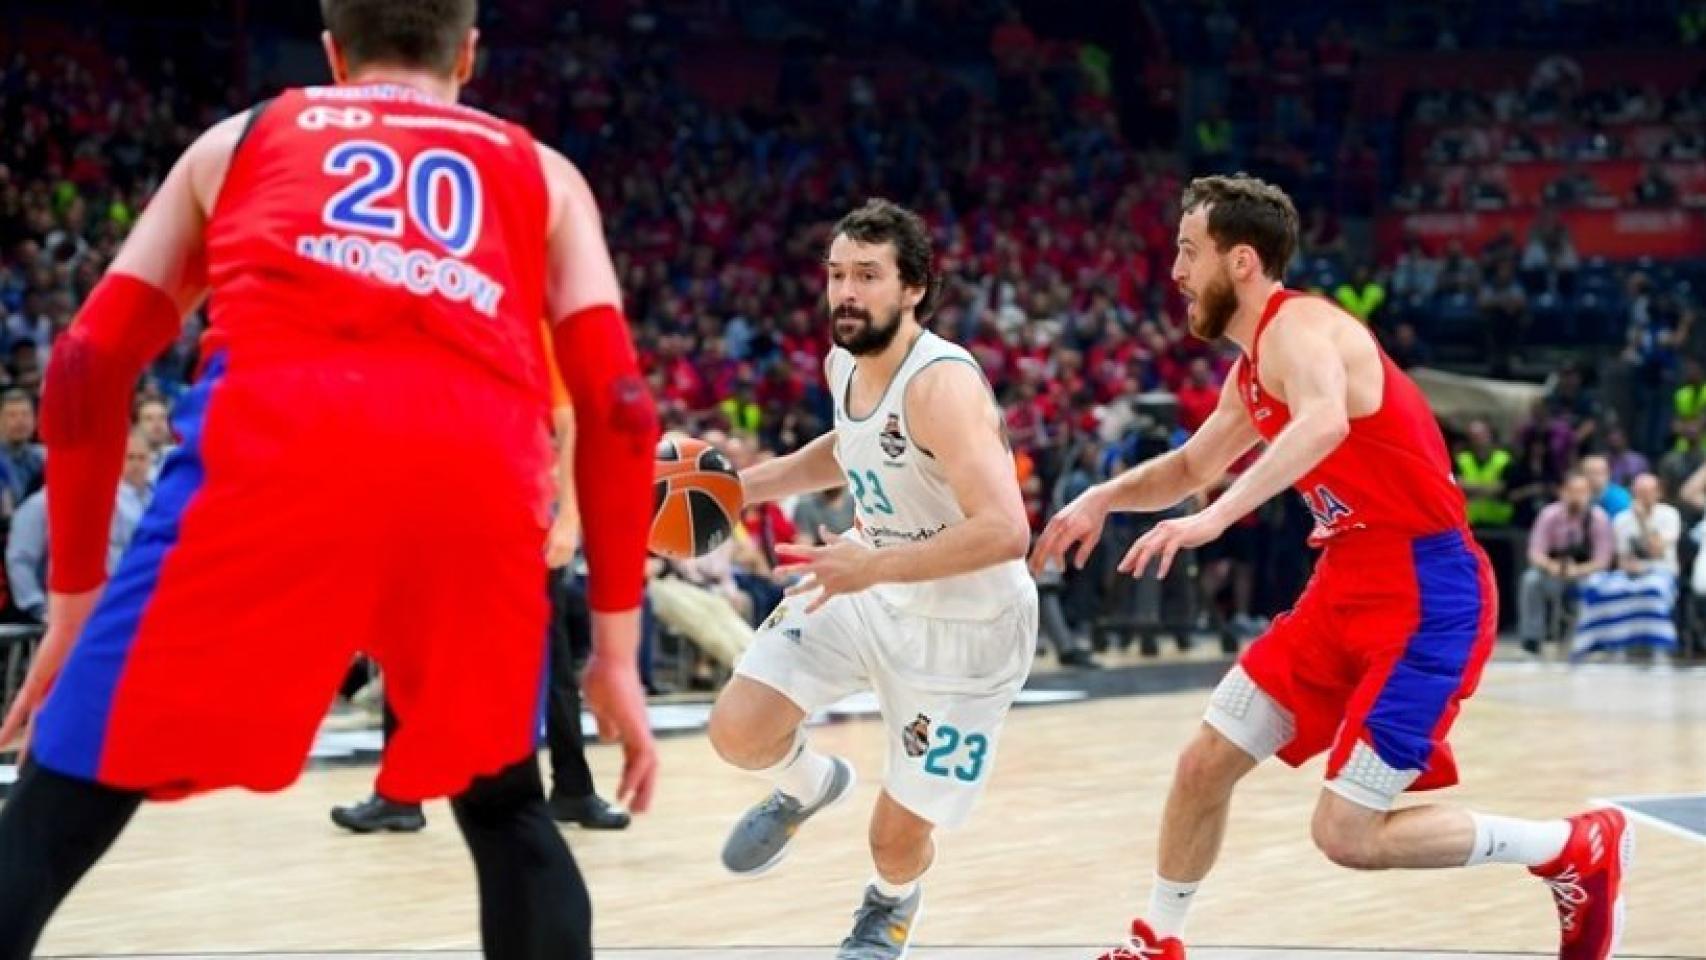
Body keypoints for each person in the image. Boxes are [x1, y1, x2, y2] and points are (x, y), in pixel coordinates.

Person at [0, 3, 660, 958]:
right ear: (469, 53)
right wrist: (616, 654)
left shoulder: (242, 139)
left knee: (65, 785)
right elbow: (622, 408)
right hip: (470, 478)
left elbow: (86, 367)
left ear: (331, 53)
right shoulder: (545, 173)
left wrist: (72, 608)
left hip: (271, 454)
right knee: (507, 807)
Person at [1033, 175, 1629, 960]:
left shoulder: (1303, 327)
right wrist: (1102, 500)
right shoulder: (1251, 369)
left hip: (1427, 593)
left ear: (1240, 261)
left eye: (1188, 250)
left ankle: (1569, 845)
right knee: (1204, 761)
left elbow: (1322, 421)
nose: (1174, 270)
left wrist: (1212, 519)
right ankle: (1157, 941)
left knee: (1345, 834)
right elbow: (1188, 465)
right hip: (1343, 584)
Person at [706, 199, 1036, 959]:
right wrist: (739, 488)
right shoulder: (843, 360)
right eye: (836, 275)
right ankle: (807, 783)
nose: (846, 293)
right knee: (737, 728)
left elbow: (1006, 529)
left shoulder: (941, 386)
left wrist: (873, 565)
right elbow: (851, 446)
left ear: (914, 287)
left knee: (894, 840)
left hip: (968, 629)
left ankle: (889, 904)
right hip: (869, 581)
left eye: (867, 276)